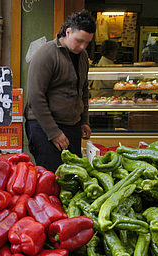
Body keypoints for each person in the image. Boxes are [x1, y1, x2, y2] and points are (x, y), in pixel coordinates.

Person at [25, 10, 96, 172]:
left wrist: (84, 120)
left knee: (73, 178)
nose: (83, 46)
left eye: (87, 43)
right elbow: (36, 98)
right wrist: (54, 132)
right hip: (45, 128)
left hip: (72, 126)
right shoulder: (46, 54)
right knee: (50, 178)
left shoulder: (83, 56)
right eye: (79, 41)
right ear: (68, 31)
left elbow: (83, 90)